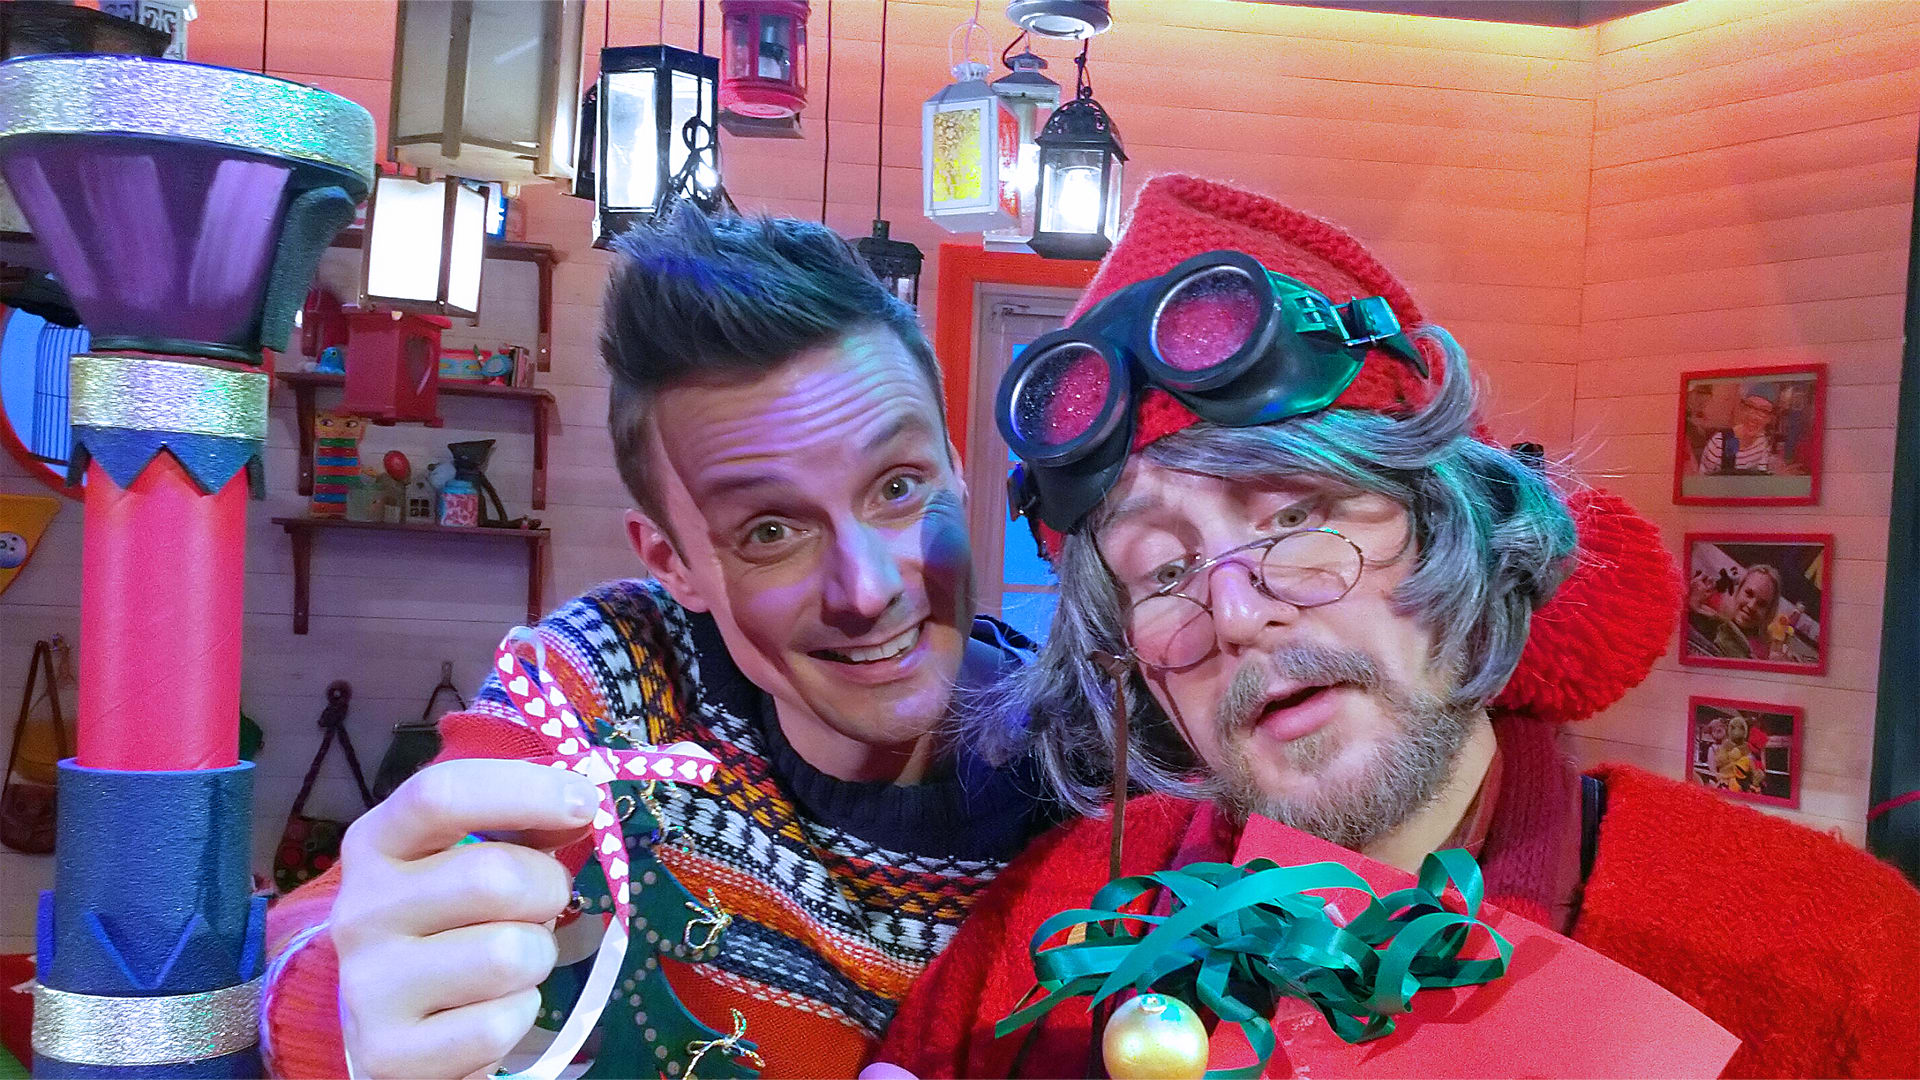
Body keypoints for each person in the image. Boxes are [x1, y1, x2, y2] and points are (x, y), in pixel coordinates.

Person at [873, 175, 1920, 1079]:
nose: (1236, 612)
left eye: (1298, 517)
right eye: (1165, 571)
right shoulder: (1046, 932)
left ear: (1455, 530)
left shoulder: (1835, 961)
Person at [261, 208, 1056, 1079]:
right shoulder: (617, 676)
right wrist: (342, 1014)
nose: (867, 589)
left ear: (956, 468)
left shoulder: (1085, 769)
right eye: (770, 532)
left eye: (899, 487)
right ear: (673, 562)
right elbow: (340, 929)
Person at [1698, 387, 1779, 475]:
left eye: (1764, 411)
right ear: (1741, 409)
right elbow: (1703, 477)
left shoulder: (1762, 441)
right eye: (1750, 406)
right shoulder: (1722, 442)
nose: (1754, 417)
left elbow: (1761, 472)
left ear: (1769, 419)